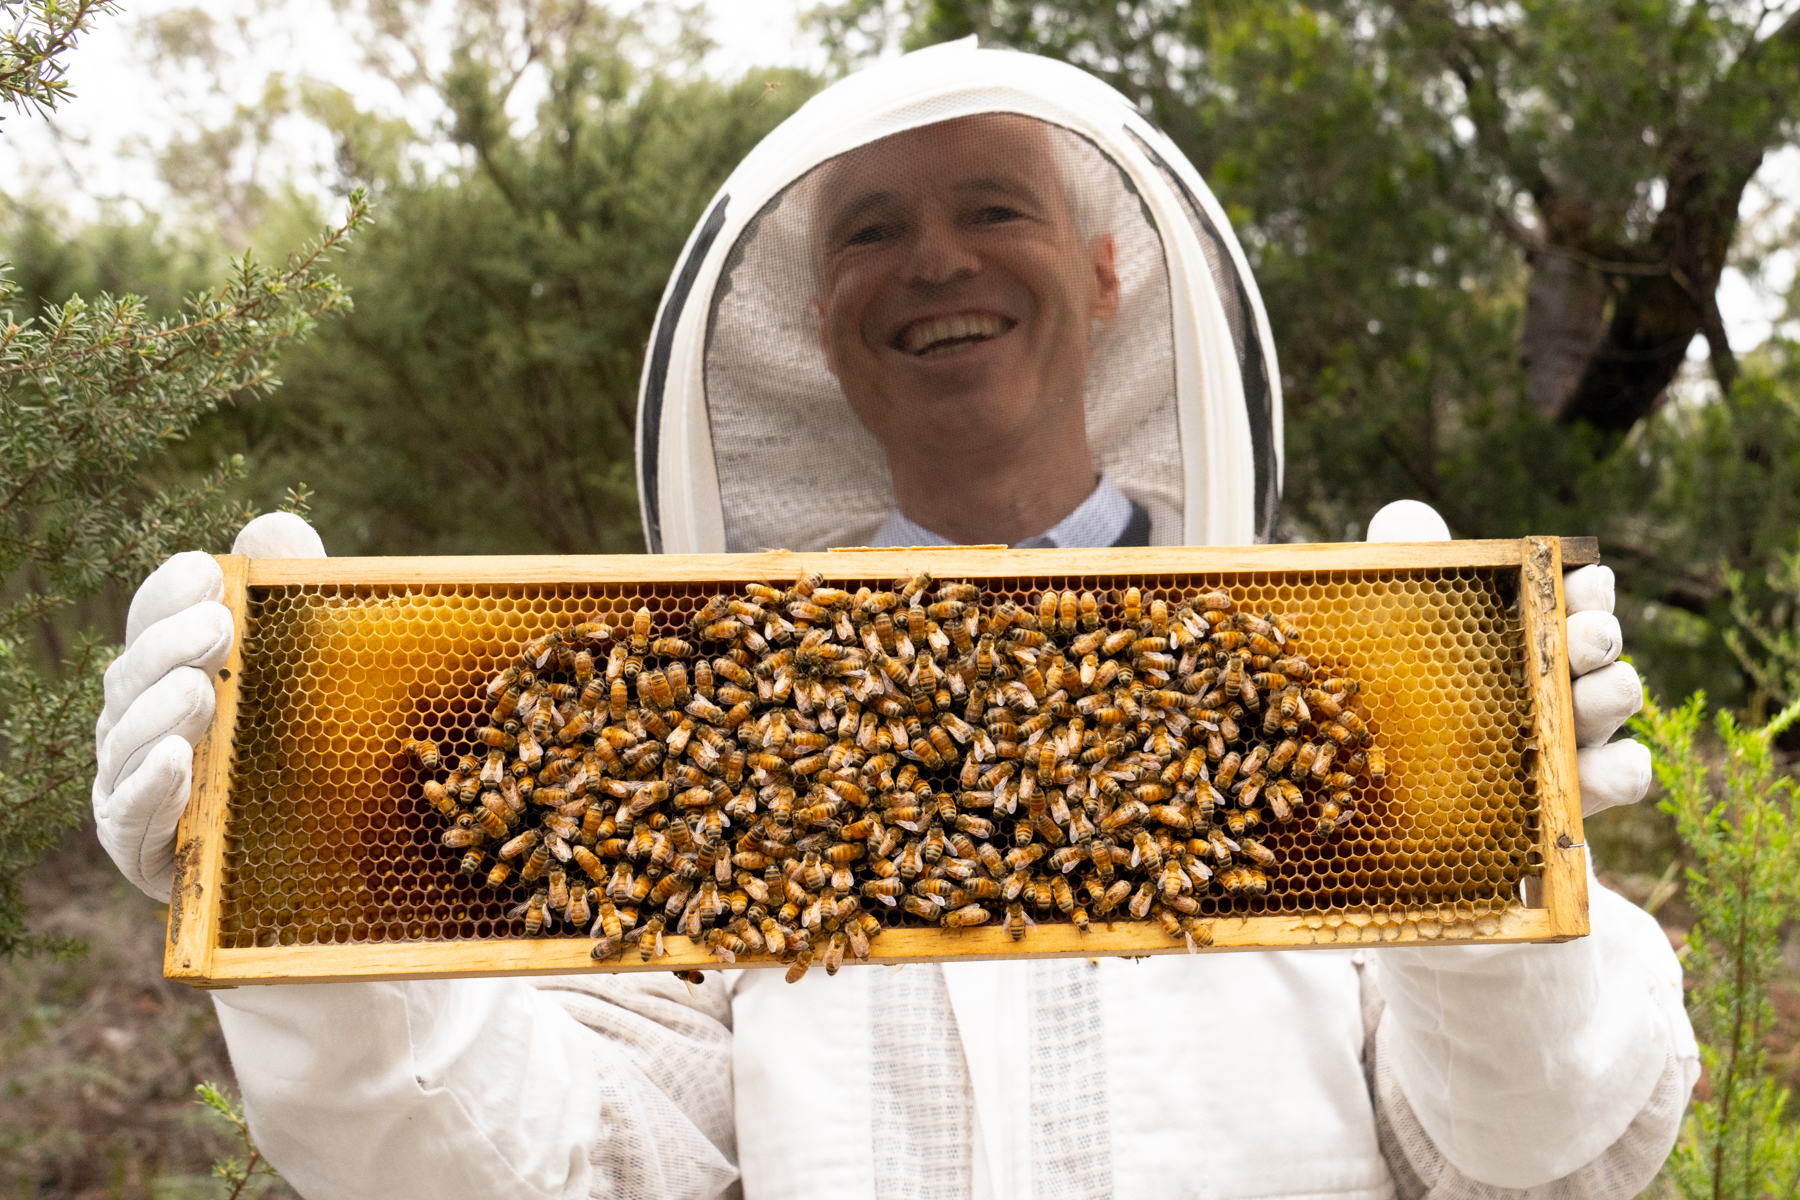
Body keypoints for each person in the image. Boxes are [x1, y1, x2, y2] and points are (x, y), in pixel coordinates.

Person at [92, 40, 1689, 1200]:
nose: (933, 258)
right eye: (869, 229)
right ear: (822, 319)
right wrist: (327, 925)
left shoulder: (1336, 679)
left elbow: (1514, 1153)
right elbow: (583, 1162)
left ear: (1108, 269)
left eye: (993, 206)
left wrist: (1498, 925)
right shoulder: (708, 720)